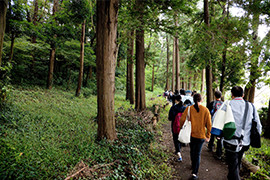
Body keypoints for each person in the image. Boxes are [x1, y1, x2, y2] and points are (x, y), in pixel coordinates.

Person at [221, 86, 262, 180]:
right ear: (243, 95)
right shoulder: (251, 106)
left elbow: (217, 119)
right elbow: (258, 125)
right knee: (237, 162)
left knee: (233, 164)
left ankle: (234, 177)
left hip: (230, 141)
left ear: (232, 95)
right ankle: (231, 176)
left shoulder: (227, 104)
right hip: (245, 142)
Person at [180, 93, 212, 180]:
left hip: (191, 134)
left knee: (192, 151)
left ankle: (193, 165)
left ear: (193, 100)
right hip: (201, 136)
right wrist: (208, 135)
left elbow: (182, 119)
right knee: (197, 154)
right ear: (201, 100)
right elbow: (209, 124)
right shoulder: (205, 110)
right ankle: (195, 173)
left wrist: (181, 128)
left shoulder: (189, 109)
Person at [168, 95, 187, 162]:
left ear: (176, 100)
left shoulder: (173, 108)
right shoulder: (184, 108)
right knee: (180, 138)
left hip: (175, 126)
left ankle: (178, 153)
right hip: (182, 126)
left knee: (175, 139)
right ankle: (179, 149)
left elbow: (170, 118)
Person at [207, 90, 223, 159]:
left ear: (214, 96)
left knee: (212, 135)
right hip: (220, 123)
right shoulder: (223, 104)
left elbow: (208, 112)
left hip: (213, 121)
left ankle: (210, 147)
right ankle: (219, 153)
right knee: (220, 137)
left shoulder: (212, 103)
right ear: (221, 96)